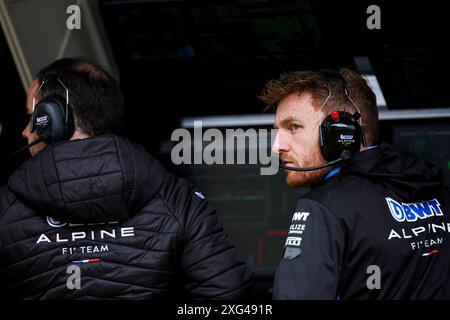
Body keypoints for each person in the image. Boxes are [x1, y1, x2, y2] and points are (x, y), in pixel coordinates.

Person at [0, 57, 253, 299]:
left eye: (32, 117)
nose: (25, 132)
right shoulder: (179, 199)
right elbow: (228, 296)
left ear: (51, 120)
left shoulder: (5, 208)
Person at [260, 68, 450, 299]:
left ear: (341, 133)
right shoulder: (437, 189)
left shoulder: (322, 208)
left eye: (294, 127)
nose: (276, 146)